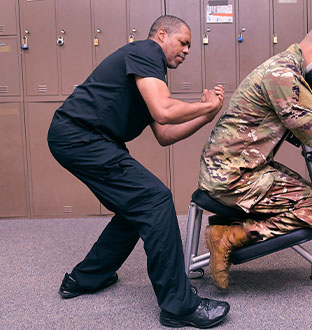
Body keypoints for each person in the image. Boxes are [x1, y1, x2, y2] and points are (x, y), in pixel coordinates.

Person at [48, 15, 230, 328]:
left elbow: (164, 134)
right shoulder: (146, 53)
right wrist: (205, 107)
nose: (186, 50)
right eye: (182, 42)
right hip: (80, 136)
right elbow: (165, 110)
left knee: (136, 208)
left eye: (189, 45)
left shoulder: (147, 71)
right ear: (161, 35)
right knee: (155, 199)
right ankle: (179, 306)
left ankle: (85, 278)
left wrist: (205, 116)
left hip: (87, 138)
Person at [198, 21, 312, 289]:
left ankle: (230, 229)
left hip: (231, 167)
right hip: (232, 177)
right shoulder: (284, 76)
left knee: (303, 191)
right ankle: (228, 236)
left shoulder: (281, 66)